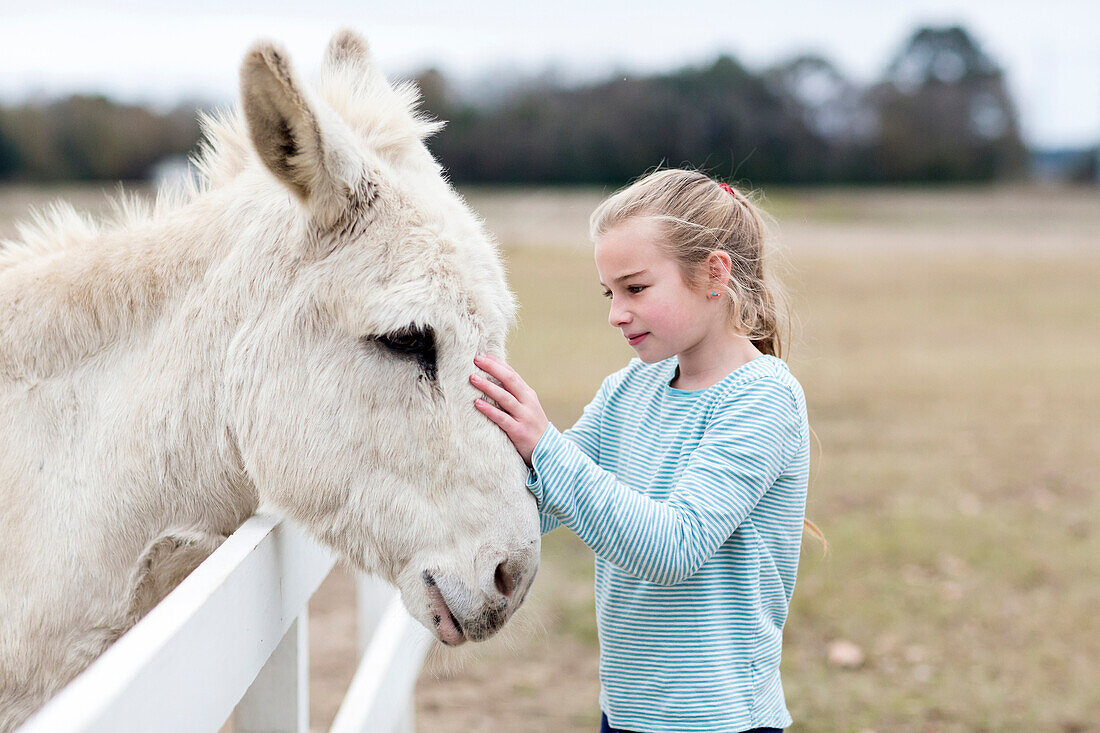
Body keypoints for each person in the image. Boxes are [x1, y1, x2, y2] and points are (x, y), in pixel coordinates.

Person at [470, 168, 812, 733]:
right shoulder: (631, 388)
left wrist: (545, 445)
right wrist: (471, 440)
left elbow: (671, 547)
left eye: (635, 288)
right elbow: (545, 499)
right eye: (610, 292)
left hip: (720, 721)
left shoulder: (764, 398)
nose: (616, 313)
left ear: (713, 275)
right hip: (626, 713)